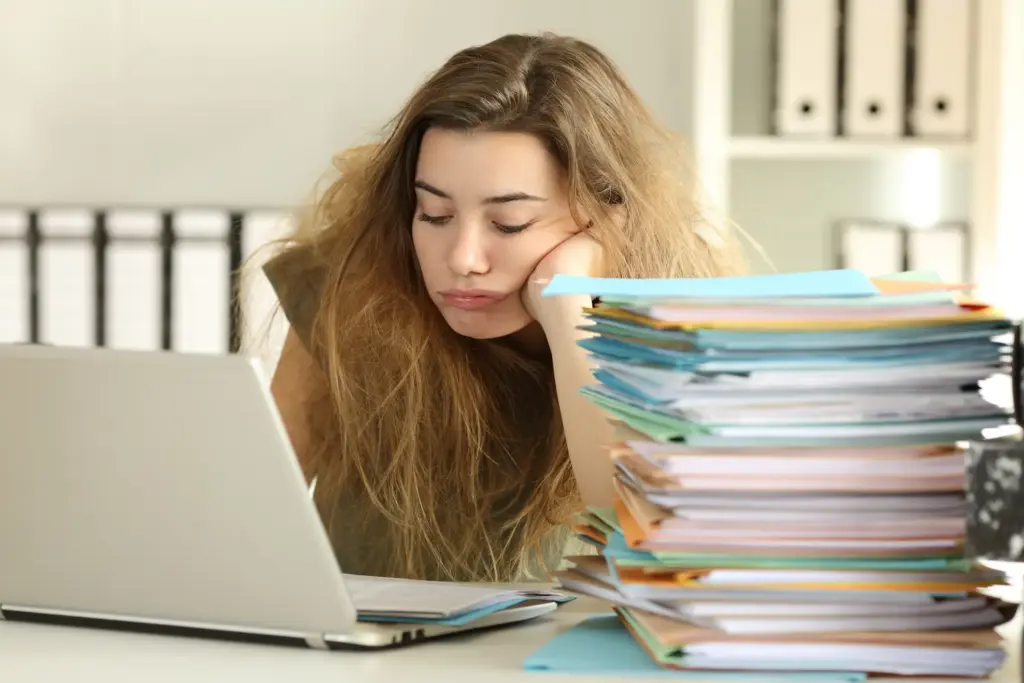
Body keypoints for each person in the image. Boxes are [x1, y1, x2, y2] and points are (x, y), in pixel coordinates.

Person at [263, 32, 743, 583]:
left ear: (606, 216)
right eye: (434, 214)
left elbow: (648, 527)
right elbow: (251, 516)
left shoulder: (682, 316)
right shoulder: (350, 284)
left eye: (509, 223)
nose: (463, 259)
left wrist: (569, 311)